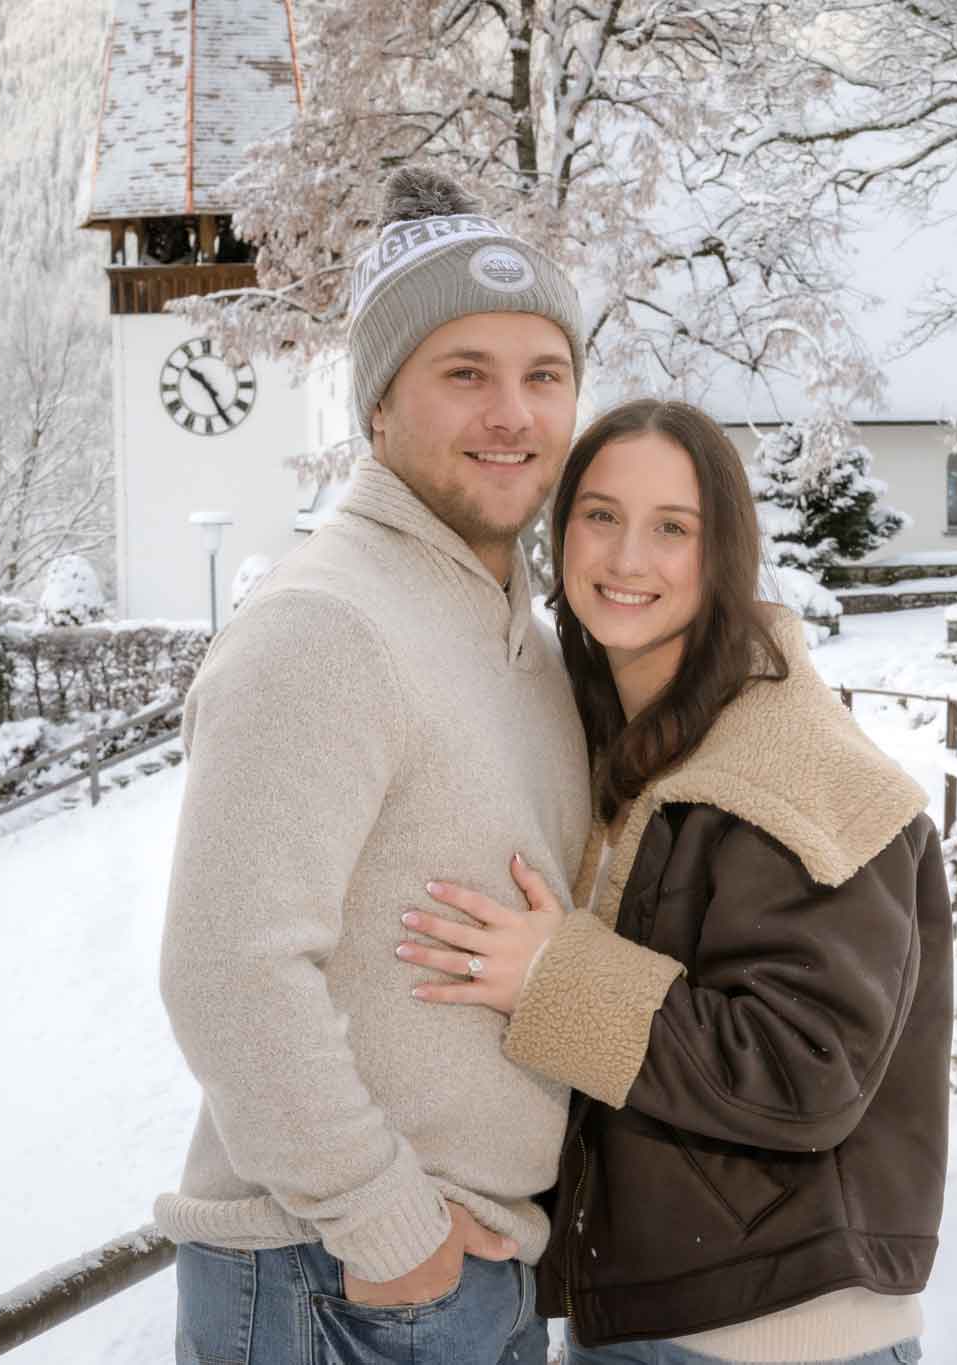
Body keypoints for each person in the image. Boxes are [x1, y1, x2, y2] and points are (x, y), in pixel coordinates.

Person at [400, 399, 953, 1363]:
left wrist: (551, 977)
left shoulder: (798, 768)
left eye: (672, 529)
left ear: (725, 553)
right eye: (600, 516)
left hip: (782, 1338)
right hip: (659, 1320)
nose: (626, 558)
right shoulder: (627, 749)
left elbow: (805, 1068)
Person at [154, 167, 592, 1365]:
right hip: (335, 1284)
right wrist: (390, 1228)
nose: (512, 414)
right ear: (379, 409)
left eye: (541, 375)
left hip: (465, 1276)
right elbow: (223, 968)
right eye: (464, 375)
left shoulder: (514, 635)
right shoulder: (327, 628)